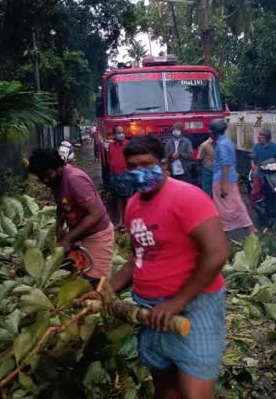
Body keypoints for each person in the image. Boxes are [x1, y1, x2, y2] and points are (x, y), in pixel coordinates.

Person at [82, 135, 229, 398]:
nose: (140, 172)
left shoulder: (187, 198)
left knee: (194, 391)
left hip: (194, 307)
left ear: (163, 164)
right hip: (149, 310)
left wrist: (176, 301)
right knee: (163, 383)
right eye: (132, 166)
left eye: (146, 164)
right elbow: (138, 256)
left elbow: (217, 254)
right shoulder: (133, 206)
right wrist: (107, 291)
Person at [28, 148, 114, 285]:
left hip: (98, 235)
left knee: (98, 282)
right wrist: (59, 232)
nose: (46, 180)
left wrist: (68, 238)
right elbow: (60, 206)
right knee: (81, 273)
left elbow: (96, 213)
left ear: (58, 165)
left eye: (48, 175)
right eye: (41, 178)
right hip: (81, 235)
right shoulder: (56, 181)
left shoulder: (75, 180)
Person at [210, 119, 256, 241]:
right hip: (229, 178)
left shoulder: (221, 144)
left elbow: (225, 163)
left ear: (214, 133)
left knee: (225, 206)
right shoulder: (227, 142)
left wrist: (224, 183)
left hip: (222, 179)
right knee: (235, 204)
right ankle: (247, 229)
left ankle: (247, 229)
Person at [107, 126, 133, 230]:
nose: (121, 134)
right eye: (119, 132)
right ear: (114, 135)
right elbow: (110, 158)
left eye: (122, 132)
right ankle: (121, 221)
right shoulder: (111, 145)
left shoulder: (127, 145)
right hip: (115, 175)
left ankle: (128, 222)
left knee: (128, 198)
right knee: (119, 199)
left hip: (126, 175)